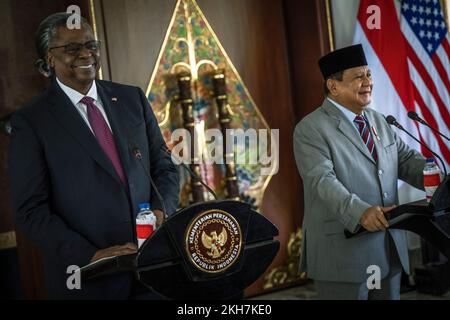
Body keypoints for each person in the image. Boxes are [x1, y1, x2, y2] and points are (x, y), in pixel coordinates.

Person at [7, 13, 179, 299]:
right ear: (50, 58)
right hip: (88, 280)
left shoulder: (132, 99)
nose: (86, 53)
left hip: (153, 268)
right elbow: (30, 210)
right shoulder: (31, 122)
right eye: (72, 48)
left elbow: (164, 166)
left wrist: (162, 210)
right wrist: (91, 255)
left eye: (92, 45)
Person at [293, 44, 426, 300]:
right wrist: (360, 211)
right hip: (345, 250)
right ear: (333, 86)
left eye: (369, 74)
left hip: (387, 246)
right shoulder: (311, 129)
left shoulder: (377, 120)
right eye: (359, 76)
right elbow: (322, 181)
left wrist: (440, 178)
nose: (368, 82)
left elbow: (406, 160)